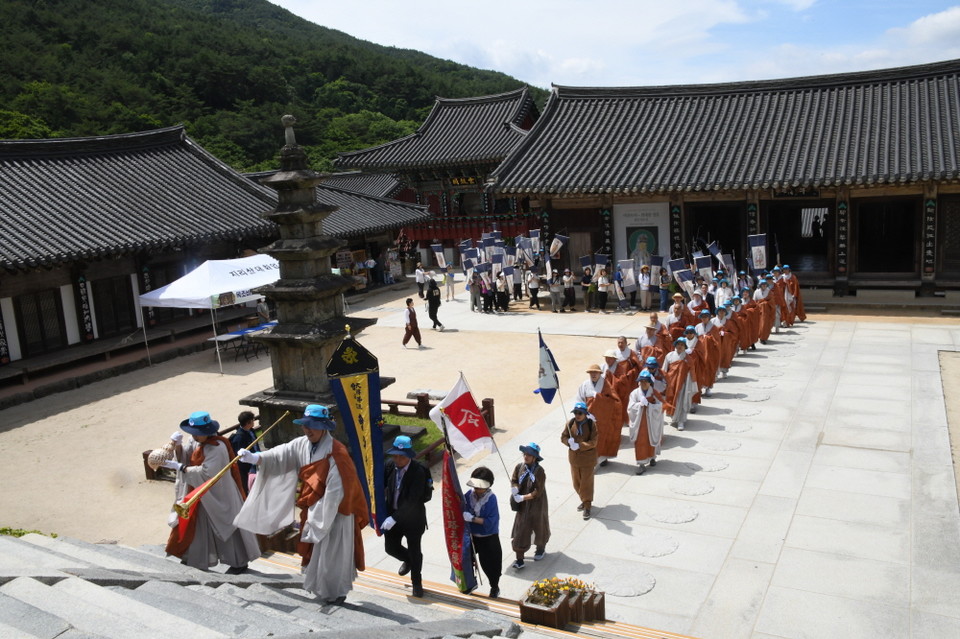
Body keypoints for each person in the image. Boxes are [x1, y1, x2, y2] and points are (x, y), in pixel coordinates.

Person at [234, 405, 368, 604]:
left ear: (324, 427)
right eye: (305, 425)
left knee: (333, 556)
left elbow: (336, 493)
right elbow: (283, 453)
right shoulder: (303, 444)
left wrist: (317, 518)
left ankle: (336, 593)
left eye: (313, 426)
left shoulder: (337, 454)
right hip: (315, 508)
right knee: (319, 554)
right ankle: (322, 590)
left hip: (335, 514)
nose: (308, 430)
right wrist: (257, 458)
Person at [162, 411, 260, 574]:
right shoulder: (195, 440)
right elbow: (187, 455)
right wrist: (178, 446)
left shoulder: (218, 446)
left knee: (229, 526)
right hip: (199, 493)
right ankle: (192, 558)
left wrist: (182, 469)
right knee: (197, 527)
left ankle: (239, 562)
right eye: (193, 433)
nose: (194, 436)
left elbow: (209, 474)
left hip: (220, 494)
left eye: (198, 433)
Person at [382, 435, 430, 598]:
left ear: (409, 455)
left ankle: (417, 582)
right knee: (390, 548)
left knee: (415, 549)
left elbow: (413, 499)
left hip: (412, 518)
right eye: (394, 455)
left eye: (401, 456)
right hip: (392, 515)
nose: (397, 459)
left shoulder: (419, 470)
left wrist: (395, 518)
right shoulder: (389, 466)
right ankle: (409, 559)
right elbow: (380, 484)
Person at [510, 443, 550, 570]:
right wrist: (515, 489)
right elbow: (514, 479)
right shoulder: (519, 467)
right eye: (525, 454)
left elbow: (538, 491)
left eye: (529, 455)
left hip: (537, 504)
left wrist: (523, 497)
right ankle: (520, 559)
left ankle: (540, 548)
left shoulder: (540, 471)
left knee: (539, 525)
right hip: (523, 506)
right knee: (521, 528)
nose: (526, 457)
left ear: (535, 458)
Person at [462, 466, 501, 598]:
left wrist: (472, 518)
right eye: (476, 487)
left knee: (490, 565)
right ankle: (469, 583)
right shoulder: (468, 495)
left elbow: (491, 522)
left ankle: (494, 587)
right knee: (466, 560)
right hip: (471, 536)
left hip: (488, 537)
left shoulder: (491, 499)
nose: (477, 490)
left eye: (480, 487)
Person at [561, 401, 599, 519]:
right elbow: (563, 437)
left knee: (586, 484)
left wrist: (580, 445)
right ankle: (583, 499)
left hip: (587, 460)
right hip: (574, 460)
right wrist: (568, 442)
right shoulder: (570, 423)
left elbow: (594, 442)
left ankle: (587, 505)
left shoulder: (591, 424)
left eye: (580, 413)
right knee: (576, 483)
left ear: (585, 414)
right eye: (576, 413)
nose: (577, 415)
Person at [627, 371, 665, 474]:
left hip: (652, 422)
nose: (643, 383)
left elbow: (660, 406)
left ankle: (652, 457)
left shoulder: (654, 393)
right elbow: (630, 408)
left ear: (650, 383)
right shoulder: (634, 393)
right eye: (641, 381)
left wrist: (650, 406)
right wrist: (640, 405)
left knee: (652, 438)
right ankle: (641, 464)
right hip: (639, 423)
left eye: (646, 381)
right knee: (640, 442)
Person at [662, 338, 697, 431]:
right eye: (678, 344)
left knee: (682, 401)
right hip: (671, 383)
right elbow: (664, 369)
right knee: (671, 400)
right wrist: (664, 381)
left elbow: (692, 371)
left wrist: (692, 383)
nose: (680, 346)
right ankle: (674, 416)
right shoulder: (669, 356)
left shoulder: (688, 358)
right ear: (675, 345)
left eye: (682, 345)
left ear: (685, 346)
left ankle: (681, 421)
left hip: (683, 384)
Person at [229, 411, 259, 490]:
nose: (254, 422)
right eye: (253, 420)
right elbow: (239, 457)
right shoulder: (239, 438)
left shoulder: (251, 431)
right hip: (247, 468)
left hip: (255, 461)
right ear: (248, 422)